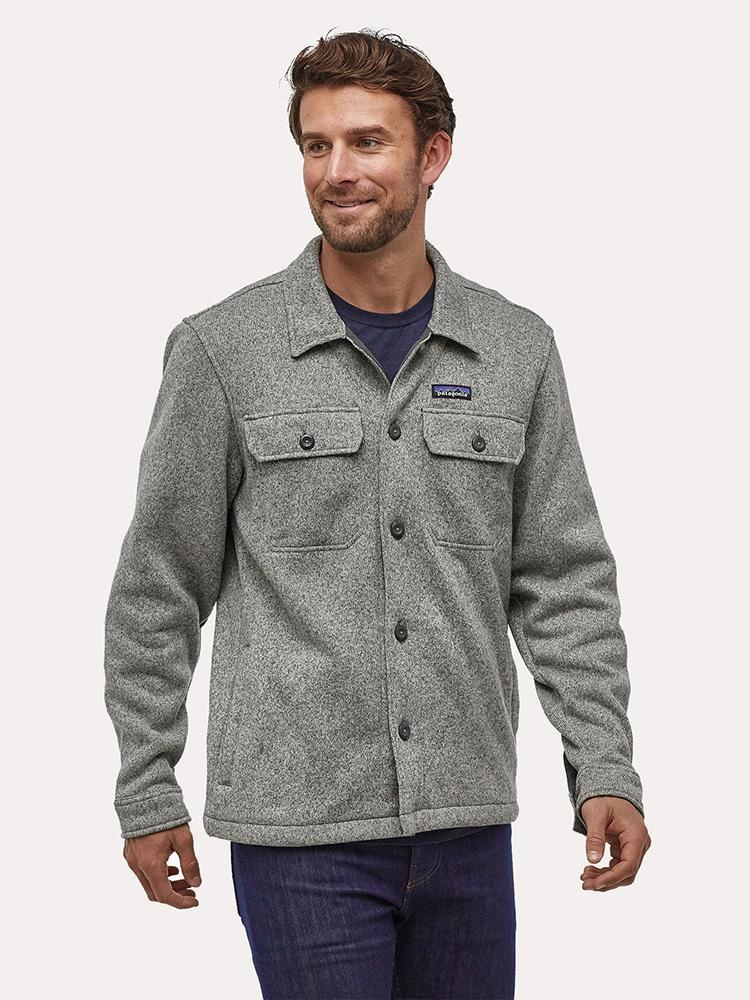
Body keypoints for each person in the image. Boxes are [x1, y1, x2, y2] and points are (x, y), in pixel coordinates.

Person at [103, 27, 651, 1000]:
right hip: (297, 835)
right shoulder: (224, 350)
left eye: (366, 142)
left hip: (468, 827)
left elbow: (563, 579)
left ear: (433, 156)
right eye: (317, 145)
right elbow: (158, 589)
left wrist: (604, 763)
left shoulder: (515, 348)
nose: (336, 171)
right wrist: (147, 786)